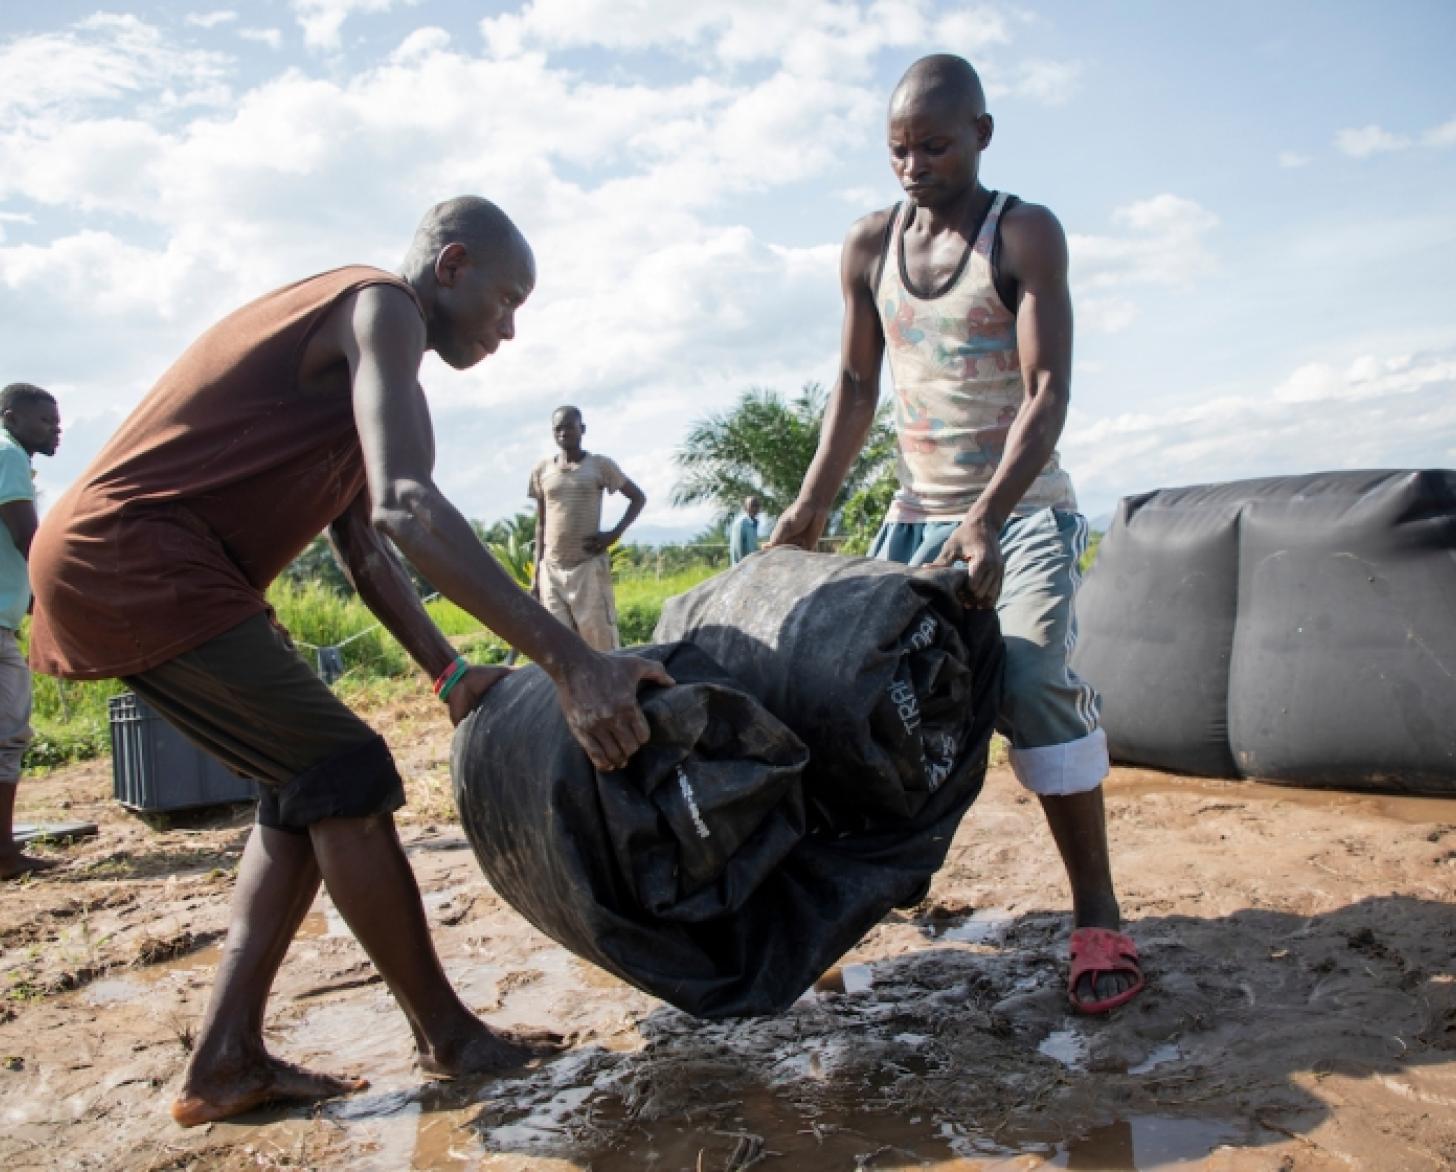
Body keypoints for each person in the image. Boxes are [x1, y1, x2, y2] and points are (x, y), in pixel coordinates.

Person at [27, 196, 674, 1125]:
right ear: (450, 266)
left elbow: (368, 548)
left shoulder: (366, 367)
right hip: (134, 557)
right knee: (345, 769)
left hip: (141, 561)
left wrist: (451, 676)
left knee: (301, 794)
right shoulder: (383, 310)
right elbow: (408, 508)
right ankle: (449, 1036)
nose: (511, 328)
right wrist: (575, 663)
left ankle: (225, 1062)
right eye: (506, 300)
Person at [770, 56, 1143, 1014]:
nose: (913, 165)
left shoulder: (1022, 232)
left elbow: (1048, 392)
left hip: (1021, 509)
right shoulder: (866, 247)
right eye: (897, 148)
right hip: (913, 517)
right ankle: (845, 904)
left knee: (1022, 679)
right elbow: (855, 388)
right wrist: (810, 508)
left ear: (983, 131)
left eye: (933, 144)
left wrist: (985, 516)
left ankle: (1096, 911)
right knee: (845, 696)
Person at [0, 383, 62, 881]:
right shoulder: (8, 454)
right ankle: (3, 854)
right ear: (12, 417)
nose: (56, 429)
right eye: (45, 421)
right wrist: (57, 602)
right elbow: (28, 539)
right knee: (8, 735)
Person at [528, 406, 644, 651]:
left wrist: (614, 534)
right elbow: (541, 524)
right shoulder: (542, 470)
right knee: (560, 646)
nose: (563, 433)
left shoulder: (599, 466)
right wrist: (537, 573)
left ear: (582, 429)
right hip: (552, 570)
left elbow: (637, 498)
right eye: (557, 429)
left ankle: (612, 688)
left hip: (587, 568)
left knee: (601, 645)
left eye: (569, 427)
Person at [728, 495, 761, 565]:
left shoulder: (754, 523)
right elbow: (737, 549)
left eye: (757, 506)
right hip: (742, 567)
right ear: (745, 508)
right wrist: (741, 568)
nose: (755, 508)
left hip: (753, 565)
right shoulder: (741, 523)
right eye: (752, 505)